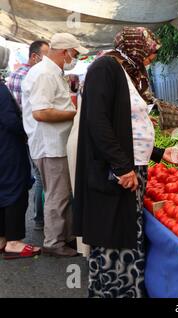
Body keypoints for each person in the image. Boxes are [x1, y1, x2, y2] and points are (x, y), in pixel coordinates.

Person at [73, 27, 178, 298]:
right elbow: (98, 122)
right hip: (114, 172)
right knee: (115, 237)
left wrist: (159, 154)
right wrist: (121, 167)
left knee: (129, 236)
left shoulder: (127, 71)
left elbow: (131, 128)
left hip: (130, 167)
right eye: (150, 52)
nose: (151, 58)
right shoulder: (105, 68)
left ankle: (129, 291)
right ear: (136, 46)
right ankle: (115, 292)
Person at [21, 33, 88, 257]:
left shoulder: (52, 72)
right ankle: (54, 242)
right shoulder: (44, 74)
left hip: (56, 143)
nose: (75, 58)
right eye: (75, 53)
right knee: (57, 195)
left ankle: (65, 236)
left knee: (62, 194)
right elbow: (41, 113)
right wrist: (75, 114)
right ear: (64, 51)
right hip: (50, 145)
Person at [0, 45, 41, 259]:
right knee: (15, 189)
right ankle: (14, 242)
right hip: (8, 148)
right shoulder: (0, 90)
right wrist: (26, 129)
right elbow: (9, 120)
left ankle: (2, 238)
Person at [7, 40, 49, 231]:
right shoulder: (31, 76)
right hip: (32, 132)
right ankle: (40, 219)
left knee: (32, 175)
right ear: (34, 56)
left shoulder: (14, 75)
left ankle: (37, 217)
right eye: (45, 56)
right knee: (40, 177)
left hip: (20, 135)